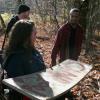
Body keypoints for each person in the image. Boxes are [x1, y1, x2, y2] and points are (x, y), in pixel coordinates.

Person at [3, 20, 46, 100]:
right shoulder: (15, 58)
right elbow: (19, 87)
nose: (36, 36)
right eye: (34, 33)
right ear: (25, 36)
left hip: (40, 93)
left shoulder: (33, 51)